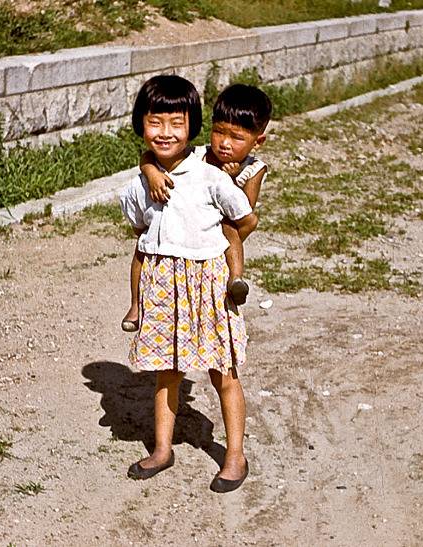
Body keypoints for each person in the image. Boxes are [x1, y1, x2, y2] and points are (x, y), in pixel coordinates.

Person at [119, 74, 258, 493]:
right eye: (155, 122)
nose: (165, 132)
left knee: (223, 372)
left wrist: (220, 248)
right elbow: (139, 227)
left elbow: (245, 217)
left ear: (193, 127)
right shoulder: (140, 185)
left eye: (176, 123)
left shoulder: (211, 176)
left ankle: (235, 455)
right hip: (165, 287)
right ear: (140, 125)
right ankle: (163, 449)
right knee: (168, 372)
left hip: (209, 286)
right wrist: (149, 170)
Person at [121, 83, 271, 332]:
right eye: (219, 132)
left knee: (229, 230)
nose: (225, 143)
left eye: (236, 138)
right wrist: (151, 172)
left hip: (221, 225)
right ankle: (136, 305)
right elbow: (148, 156)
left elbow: (244, 211)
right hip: (185, 219)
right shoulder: (200, 154)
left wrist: (230, 180)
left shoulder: (254, 170)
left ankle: (236, 278)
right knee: (144, 245)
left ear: (258, 141)